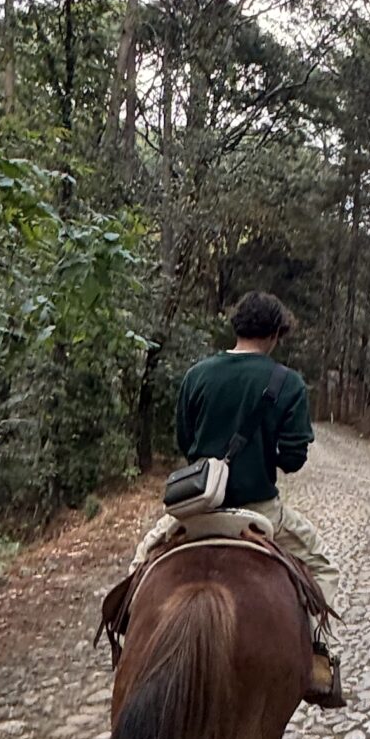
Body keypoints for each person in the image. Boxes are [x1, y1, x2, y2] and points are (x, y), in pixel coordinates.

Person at [131, 291, 343, 702]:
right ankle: (317, 657)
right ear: (276, 335)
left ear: (237, 327)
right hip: (259, 511)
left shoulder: (197, 374)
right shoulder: (289, 384)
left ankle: (129, 653)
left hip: (196, 510)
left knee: (141, 561)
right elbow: (295, 458)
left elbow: (185, 440)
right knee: (325, 567)